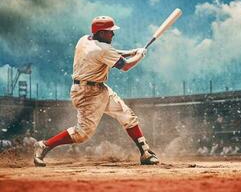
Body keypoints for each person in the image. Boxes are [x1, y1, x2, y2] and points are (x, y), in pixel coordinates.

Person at [33, 16, 159, 167]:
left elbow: (111, 52)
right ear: (100, 33)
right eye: (109, 32)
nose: (113, 34)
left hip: (99, 88)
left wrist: (132, 51)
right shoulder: (102, 49)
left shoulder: (85, 39)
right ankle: (44, 145)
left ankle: (145, 152)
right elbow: (126, 66)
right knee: (81, 134)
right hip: (87, 93)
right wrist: (140, 55)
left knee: (128, 116)